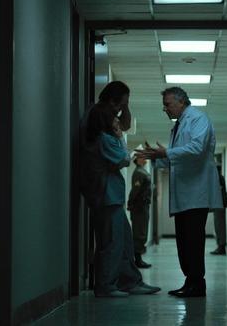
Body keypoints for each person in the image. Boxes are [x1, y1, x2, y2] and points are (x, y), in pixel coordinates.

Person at [138, 87, 223, 298]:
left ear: (181, 102)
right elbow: (176, 159)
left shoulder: (198, 119)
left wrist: (166, 152)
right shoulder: (178, 126)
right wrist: (158, 157)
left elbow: (196, 149)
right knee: (184, 242)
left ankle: (197, 284)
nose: (164, 109)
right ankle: (190, 282)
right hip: (185, 194)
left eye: (167, 104)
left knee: (193, 241)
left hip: (196, 193)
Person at [80, 81, 160, 298]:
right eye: (119, 106)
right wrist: (118, 136)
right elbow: (124, 159)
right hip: (105, 196)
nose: (120, 113)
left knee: (123, 240)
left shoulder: (105, 129)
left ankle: (130, 281)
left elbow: (124, 124)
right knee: (112, 242)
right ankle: (106, 285)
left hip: (111, 196)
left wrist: (125, 108)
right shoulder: (104, 138)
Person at [127, 154, 153, 268]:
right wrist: (130, 203)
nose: (145, 158)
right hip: (139, 207)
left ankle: (138, 258)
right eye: (142, 157)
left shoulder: (142, 171)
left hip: (143, 206)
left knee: (142, 231)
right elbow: (135, 190)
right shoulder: (139, 172)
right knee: (139, 232)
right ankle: (137, 259)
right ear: (137, 160)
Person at [210, 165, 227, 255]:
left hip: (219, 205)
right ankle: (220, 246)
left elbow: (220, 192)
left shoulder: (218, 178)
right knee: (218, 226)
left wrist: (224, 202)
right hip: (219, 205)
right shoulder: (219, 178)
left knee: (219, 226)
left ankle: (221, 246)